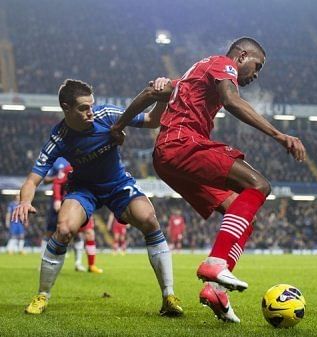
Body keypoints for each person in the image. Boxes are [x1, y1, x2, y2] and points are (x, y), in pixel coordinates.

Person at [111, 37, 306, 323]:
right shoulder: (222, 64)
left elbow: (150, 91)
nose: (256, 74)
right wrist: (279, 135)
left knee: (242, 216)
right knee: (259, 185)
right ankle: (215, 264)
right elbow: (231, 100)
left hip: (167, 157)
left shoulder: (191, 77)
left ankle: (215, 291)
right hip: (183, 144)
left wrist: (119, 125)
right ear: (241, 56)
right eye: (257, 65)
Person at [14, 79, 183, 317]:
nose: (90, 112)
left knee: (149, 219)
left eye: (91, 106)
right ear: (66, 108)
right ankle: (42, 295)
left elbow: (151, 121)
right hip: (84, 189)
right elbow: (32, 180)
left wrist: (161, 100)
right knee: (63, 230)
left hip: (117, 184)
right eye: (83, 108)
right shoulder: (59, 137)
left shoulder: (106, 114)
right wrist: (24, 201)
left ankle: (168, 296)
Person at [41, 158, 87, 271]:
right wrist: (57, 199)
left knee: (79, 233)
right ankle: (42, 262)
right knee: (50, 232)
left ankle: (78, 263)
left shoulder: (88, 164)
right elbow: (56, 182)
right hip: (62, 202)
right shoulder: (64, 164)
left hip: (79, 203)